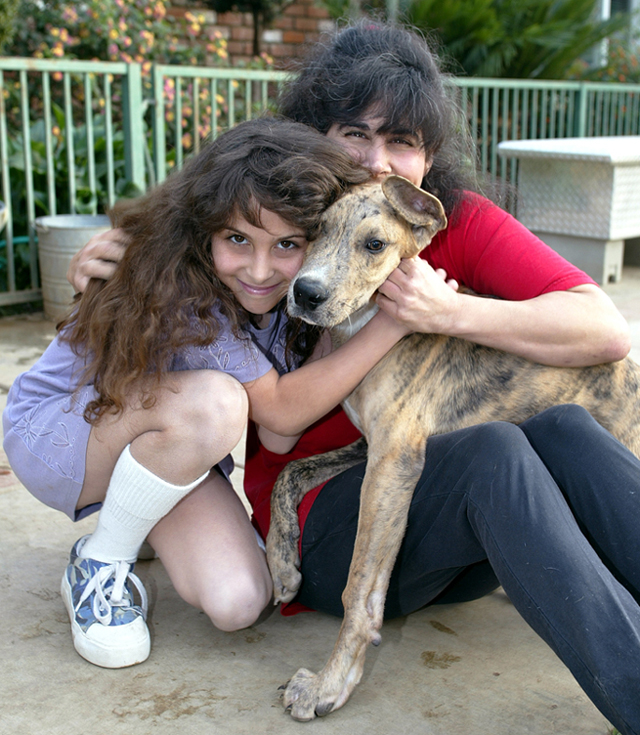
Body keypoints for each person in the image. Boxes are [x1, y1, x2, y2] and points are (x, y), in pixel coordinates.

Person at [66, 21, 640, 734]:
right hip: (322, 524)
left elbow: (607, 331)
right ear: (312, 132)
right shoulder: (278, 218)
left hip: (444, 529)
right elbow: (193, 218)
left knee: (561, 427)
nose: (379, 161)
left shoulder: (448, 223)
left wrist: (450, 310)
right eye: (354, 133)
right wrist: (122, 241)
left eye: (402, 141)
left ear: (429, 158)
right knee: (497, 452)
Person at [3, 117, 412, 670]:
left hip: (158, 442)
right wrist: (394, 323)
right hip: (58, 432)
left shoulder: (291, 298)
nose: (260, 270)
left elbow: (274, 434)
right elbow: (281, 413)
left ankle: (134, 513)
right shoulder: (188, 292)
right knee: (218, 404)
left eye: (288, 244)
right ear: (204, 230)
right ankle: (101, 561)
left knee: (240, 601)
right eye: (236, 239)